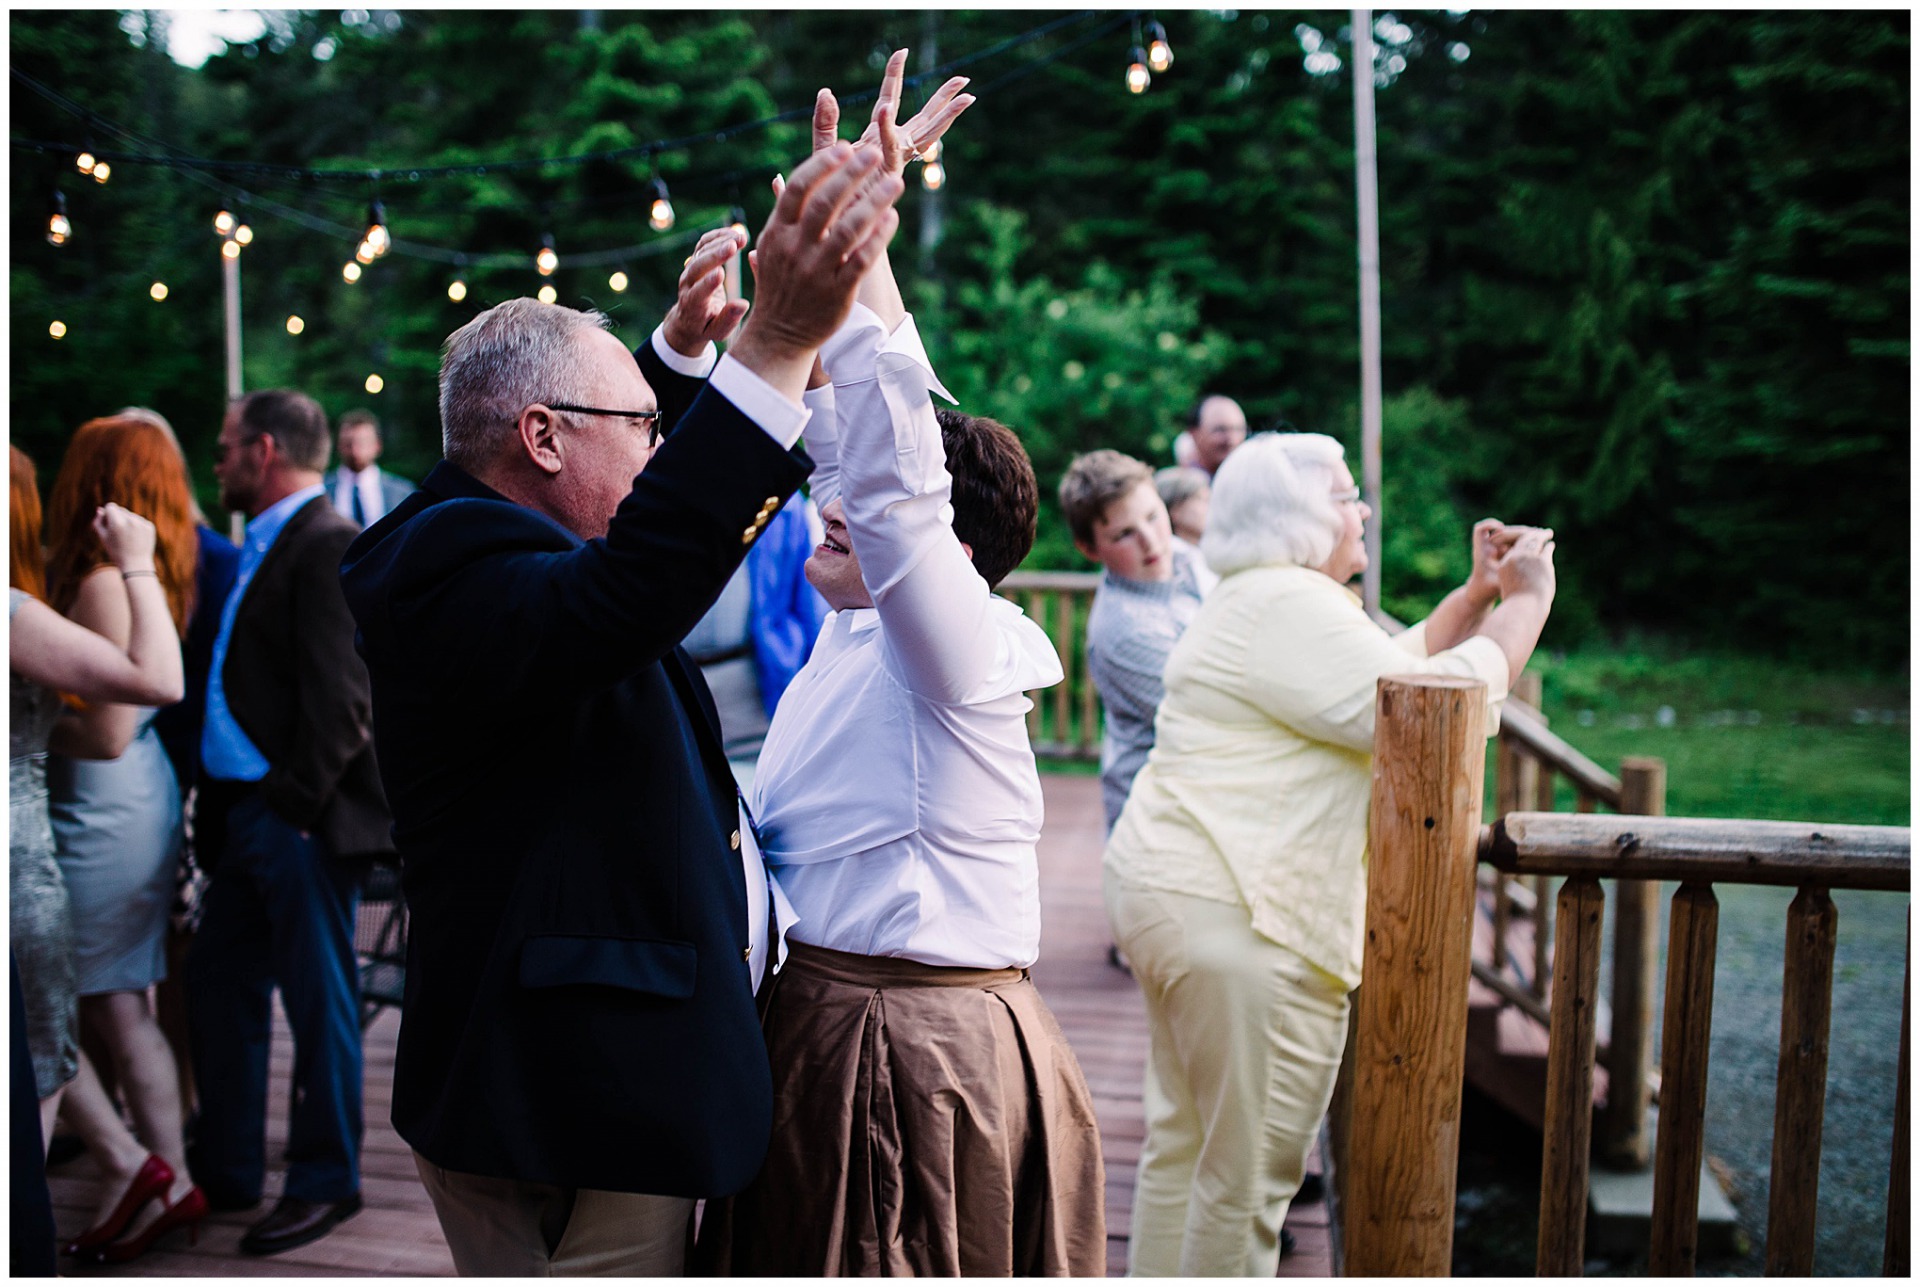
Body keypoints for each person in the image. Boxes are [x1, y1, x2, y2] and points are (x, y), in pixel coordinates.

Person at [339, 140, 905, 1276]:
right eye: (643, 424)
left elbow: (626, 515)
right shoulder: (449, 562)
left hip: (584, 1076)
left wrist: (681, 358)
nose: (661, 445)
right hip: (565, 1095)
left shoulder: (492, 535)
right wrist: (777, 342)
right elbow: (628, 592)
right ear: (541, 437)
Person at [700, 57, 1104, 1277]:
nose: (829, 512)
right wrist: (853, 233)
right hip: (831, 1028)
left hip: (910, 1057)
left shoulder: (954, 643)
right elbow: (852, 456)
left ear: (948, 549)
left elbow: (890, 484)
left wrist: (867, 251)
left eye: (861, 515)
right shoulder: (856, 632)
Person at [1103, 431, 1555, 1276]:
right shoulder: (1287, 604)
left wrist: (1475, 595)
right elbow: (1425, 707)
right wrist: (1528, 602)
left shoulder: (1264, 599)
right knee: (1245, 1185)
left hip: (1177, 894)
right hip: (1242, 919)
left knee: (1185, 1148)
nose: (1365, 509)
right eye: (1348, 495)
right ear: (1301, 519)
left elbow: (1385, 671)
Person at [187, 388, 393, 1256]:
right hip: (242, 817)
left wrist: (294, 809)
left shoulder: (326, 543)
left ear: (264, 450)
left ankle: (325, 1178)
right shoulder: (261, 545)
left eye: (229, 446)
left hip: (294, 818)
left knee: (320, 1002)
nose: (220, 461)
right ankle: (229, 1166)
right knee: (219, 986)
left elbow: (346, 704)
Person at [10, 447, 187, 1259]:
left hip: (90, 817)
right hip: (45, 842)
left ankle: (153, 1171)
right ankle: (143, 1167)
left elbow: (123, 716)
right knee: (76, 1019)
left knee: (97, 1006)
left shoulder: (69, 592)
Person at [1061, 449, 1206, 834]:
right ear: (1090, 549)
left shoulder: (1186, 558)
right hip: (1155, 822)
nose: (1151, 542)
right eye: (1124, 534)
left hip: (1203, 796)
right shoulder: (1124, 631)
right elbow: (1206, 715)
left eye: (1153, 516)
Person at [681, 495, 829, 775]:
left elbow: (808, 605)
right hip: (681, 681)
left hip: (757, 682)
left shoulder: (781, 498)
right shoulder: (662, 485)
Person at [327, 410, 413, 527]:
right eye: (348, 443)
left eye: (362, 443)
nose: (355, 451)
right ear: (339, 446)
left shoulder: (403, 493)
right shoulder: (322, 490)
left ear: (377, 445)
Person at [1170, 393, 1248, 478]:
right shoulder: (1179, 487)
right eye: (1220, 430)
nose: (1232, 439)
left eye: (1238, 429)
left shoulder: (1250, 479)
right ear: (1194, 434)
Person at [1155, 464, 1212, 545]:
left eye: (1208, 499)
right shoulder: (1175, 555)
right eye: (1200, 499)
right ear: (1175, 510)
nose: (1210, 506)